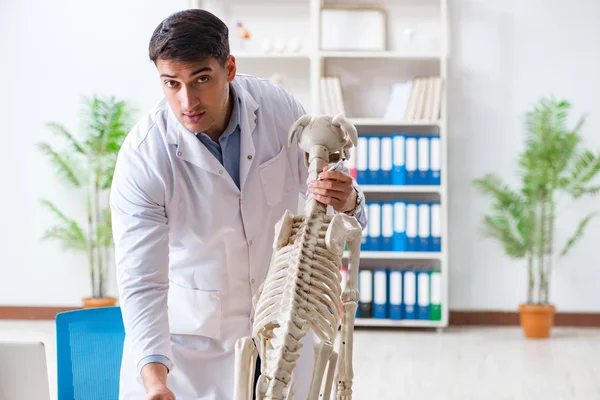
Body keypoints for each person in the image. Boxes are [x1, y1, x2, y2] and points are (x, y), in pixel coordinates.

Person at [110, 8, 367, 400]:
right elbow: (142, 282)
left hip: (282, 326)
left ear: (229, 67)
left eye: (201, 79)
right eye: (171, 83)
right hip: (191, 351)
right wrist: (155, 381)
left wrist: (348, 199)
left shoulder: (280, 111)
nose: (187, 100)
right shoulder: (144, 156)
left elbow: (331, 210)